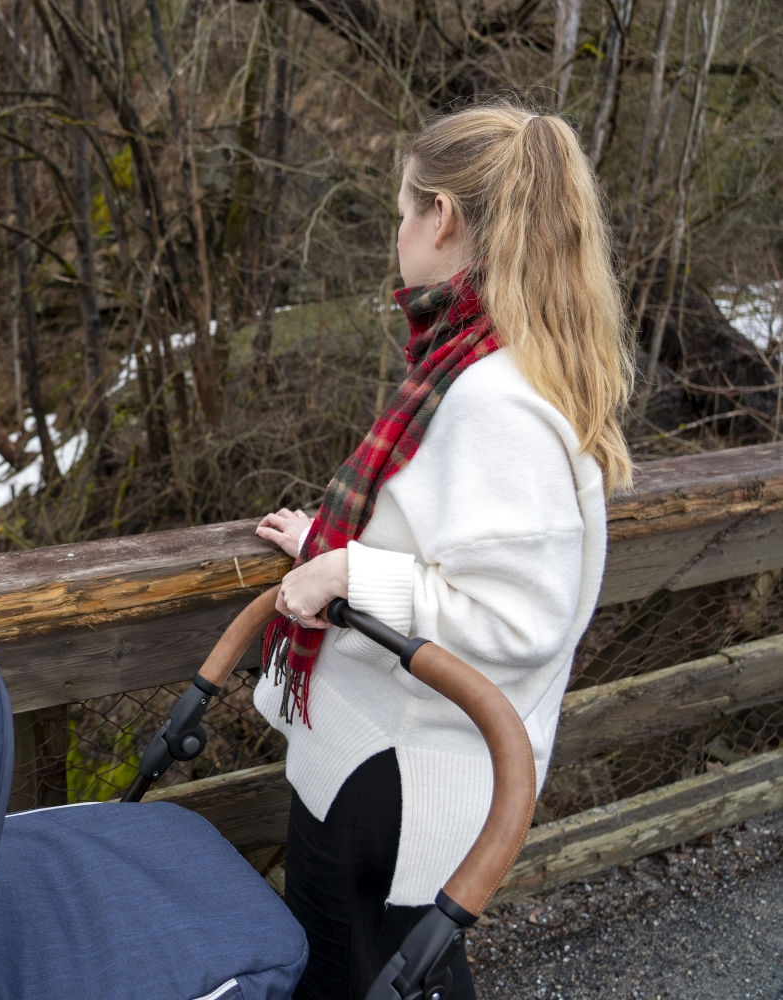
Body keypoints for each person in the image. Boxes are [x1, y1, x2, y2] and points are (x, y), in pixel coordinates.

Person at [252, 101, 635, 1000]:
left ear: (443, 218)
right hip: (397, 761)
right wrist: (325, 541)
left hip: (397, 774)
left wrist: (345, 571)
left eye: (400, 211)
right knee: (399, 974)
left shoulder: (491, 396)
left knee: (354, 977)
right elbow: (450, 548)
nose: (396, 234)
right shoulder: (480, 360)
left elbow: (518, 612)